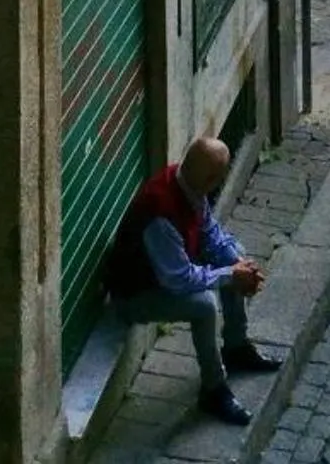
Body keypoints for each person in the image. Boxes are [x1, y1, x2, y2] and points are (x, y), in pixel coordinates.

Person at [103, 135, 281, 425]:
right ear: (212, 178)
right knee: (204, 305)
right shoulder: (160, 212)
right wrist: (231, 276)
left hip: (164, 275)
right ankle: (213, 389)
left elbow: (211, 233)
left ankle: (236, 346)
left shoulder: (189, 183)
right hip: (136, 294)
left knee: (233, 257)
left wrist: (238, 264)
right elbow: (179, 280)